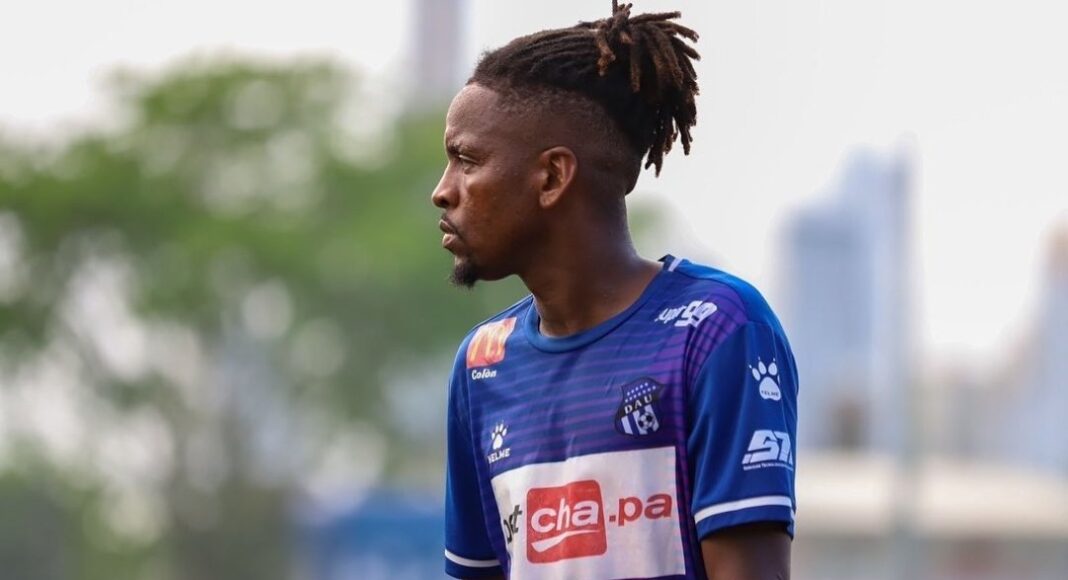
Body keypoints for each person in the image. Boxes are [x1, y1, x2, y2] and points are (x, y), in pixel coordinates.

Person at [433, 2, 797, 578]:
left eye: (466, 160)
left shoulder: (717, 330)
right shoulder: (483, 365)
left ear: (552, 176)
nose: (443, 190)